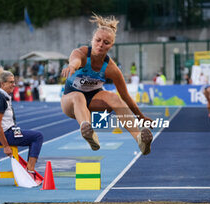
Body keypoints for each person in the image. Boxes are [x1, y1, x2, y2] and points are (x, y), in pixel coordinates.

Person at [61, 13, 153, 155]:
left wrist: (140, 116)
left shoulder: (111, 69)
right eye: (98, 40)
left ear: (111, 45)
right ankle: (88, 131)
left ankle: (140, 139)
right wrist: (72, 66)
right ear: (92, 40)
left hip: (94, 102)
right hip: (71, 102)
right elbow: (75, 59)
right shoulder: (82, 54)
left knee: (115, 98)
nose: (100, 45)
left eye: (106, 42)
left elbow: (126, 97)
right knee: (78, 96)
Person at [0, 67, 43, 173]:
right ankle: (30, 170)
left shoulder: (1, 96)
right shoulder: (0, 99)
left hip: (7, 131)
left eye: (14, 82)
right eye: (11, 82)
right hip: (3, 134)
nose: (14, 85)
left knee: (33, 134)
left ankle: (29, 168)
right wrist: (6, 146)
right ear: (3, 84)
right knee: (37, 136)